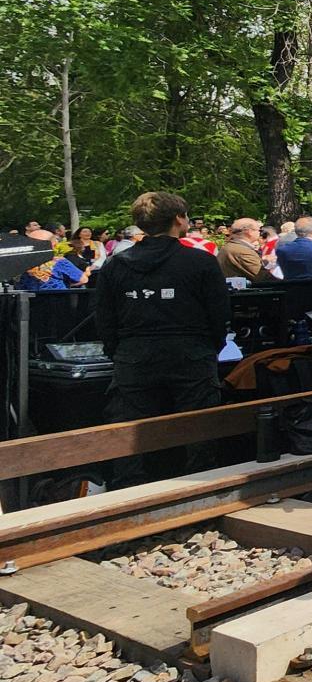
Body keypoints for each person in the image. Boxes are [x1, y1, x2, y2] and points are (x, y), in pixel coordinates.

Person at [92, 192, 231, 488]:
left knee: (130, 428)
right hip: (191, 350)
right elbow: (219, 313)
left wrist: (118, 351)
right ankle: (200, 485)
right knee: (198, 423)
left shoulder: (116, 265)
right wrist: (210, 347)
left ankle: (128, 488)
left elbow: (104, 316)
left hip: (134, 352)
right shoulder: (200, 262)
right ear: (179, 219)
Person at [15, 229, 86, 290]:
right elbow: (83, 279)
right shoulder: (58, 261)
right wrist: (68, 285)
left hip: (25, 302)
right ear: (53, 245)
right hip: (55, 300)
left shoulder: (19, 262)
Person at [217, 218, 272, 283]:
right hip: (244, 291)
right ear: (249, 232)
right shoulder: (241, 251)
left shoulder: (231, 246)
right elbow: (264, 277)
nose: (259, 232)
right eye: (258, 230)